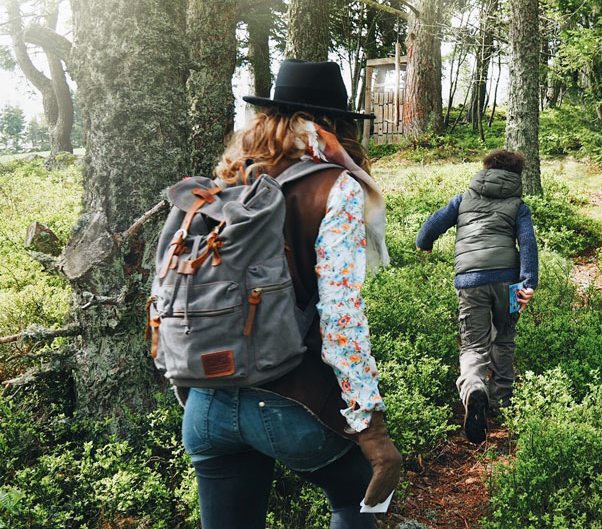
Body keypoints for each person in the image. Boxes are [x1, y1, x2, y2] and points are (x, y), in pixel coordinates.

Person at [180, 59, 401, 529]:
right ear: (334, 124)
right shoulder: (336, 187)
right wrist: (372, 428)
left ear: (267, 119)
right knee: (358, 494)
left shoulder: (227, 183)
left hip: (206, 402)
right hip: (289, 403)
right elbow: (341, 315)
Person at [415, 150, 539, 444]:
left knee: (473, 344)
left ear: (485, 171)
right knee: (505, 337)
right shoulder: (518, 205)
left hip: (470, 282)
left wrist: (425, 244)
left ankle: (473, 388)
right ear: (516, 176)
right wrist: (528, 283)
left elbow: (430, 228)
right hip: (509, 283)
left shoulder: (462, 200)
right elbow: (528, 243)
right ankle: (501, 404)